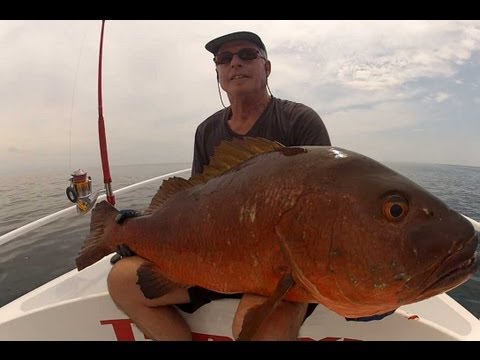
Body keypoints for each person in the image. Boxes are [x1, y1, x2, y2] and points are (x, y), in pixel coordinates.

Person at [107, 31, 331, 341]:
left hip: (277, 271)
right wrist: (142, 226)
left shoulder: (299, 121)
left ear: (267, 67)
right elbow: (195, 202)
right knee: (121, 281)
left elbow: (321, 210)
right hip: (210, 264)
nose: (235, 63)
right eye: (225, 59)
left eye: (247, 54)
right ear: (218, 74)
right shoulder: (207, 131)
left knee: (259, 330)